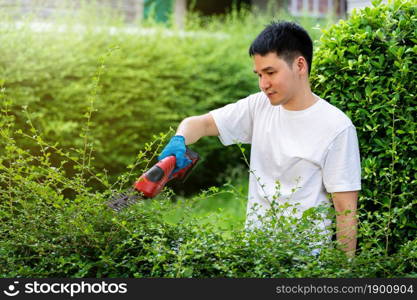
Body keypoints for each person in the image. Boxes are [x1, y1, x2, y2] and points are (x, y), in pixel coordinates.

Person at [158, 21, 361, 258]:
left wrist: (344, 273)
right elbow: (202, 124)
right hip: (254, 257)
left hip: (306, 265)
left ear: (300, 65)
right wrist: (180, 139)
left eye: (271, 73)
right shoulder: (258, 106)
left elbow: (345, 211)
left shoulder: (336, 127)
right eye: (259, 74)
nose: (263, 84)